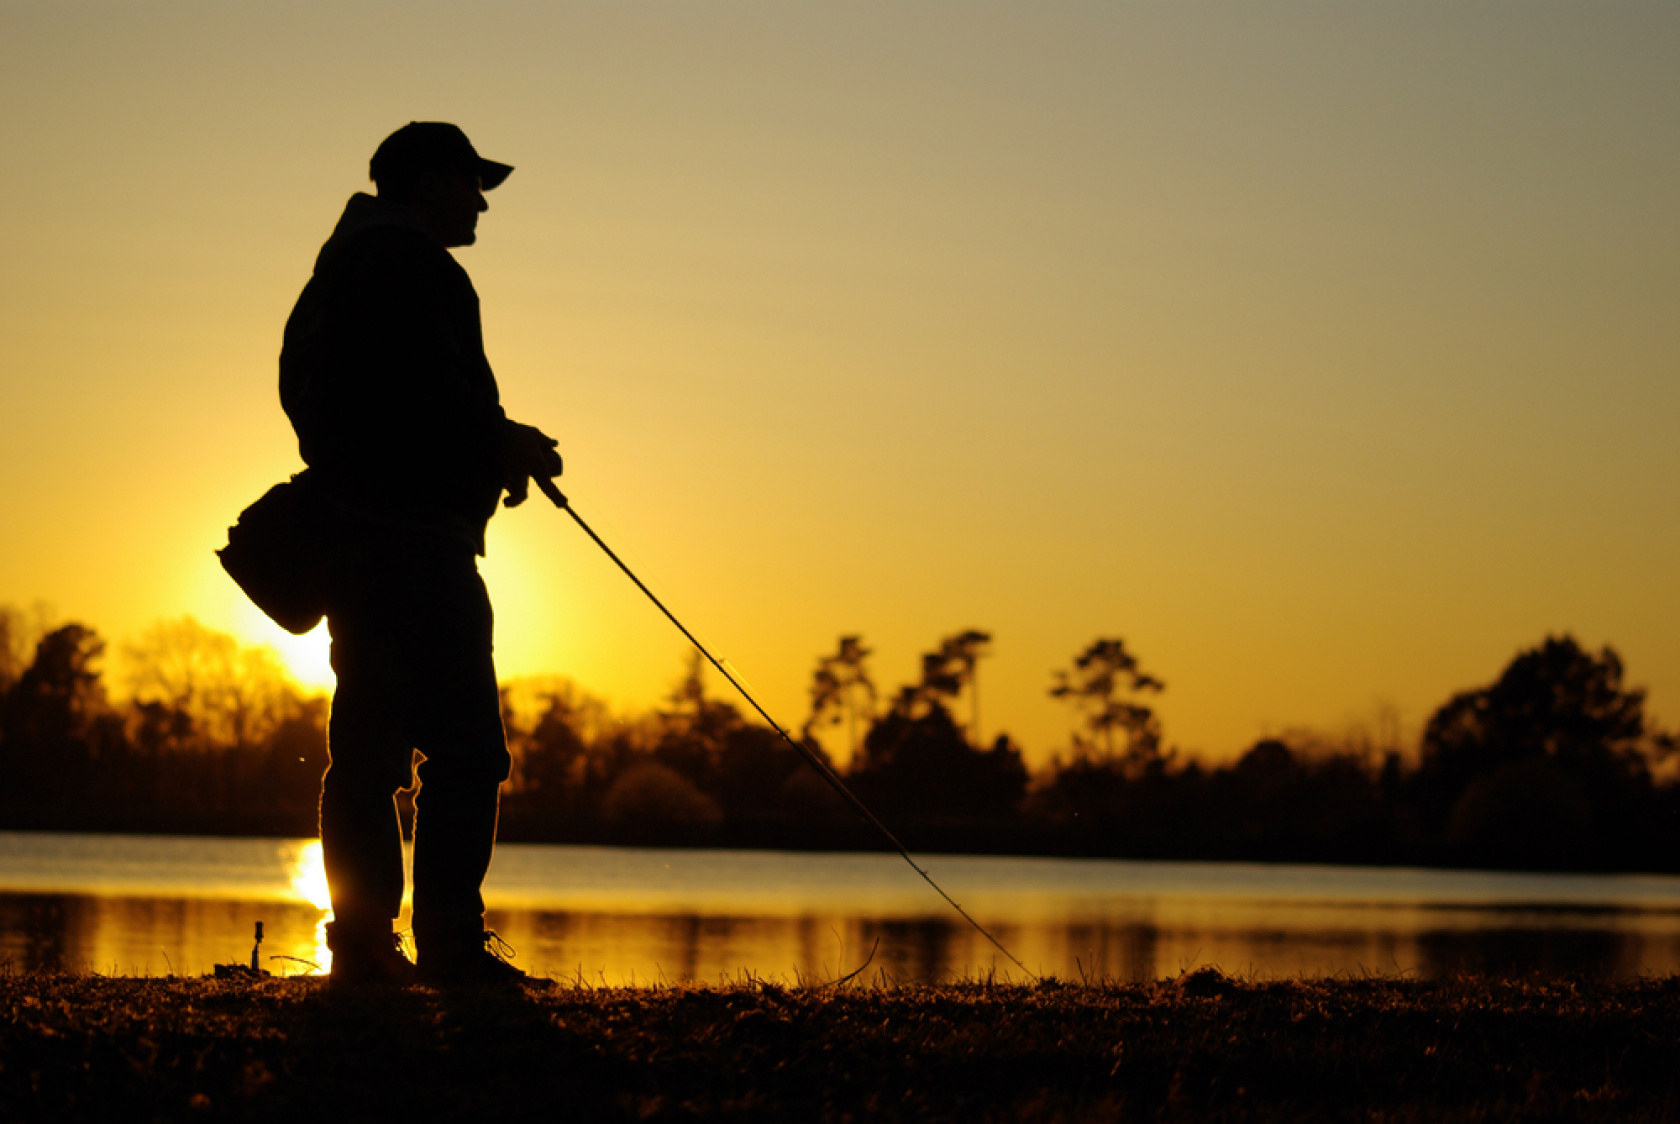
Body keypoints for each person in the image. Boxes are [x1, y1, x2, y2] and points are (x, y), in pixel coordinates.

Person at [279, 122, 562, 988]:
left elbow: (359, 402)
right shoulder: (413, 265)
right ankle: (447, 947)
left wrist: (480, 455)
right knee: (467, 751)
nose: (480, 201)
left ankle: (364, 946)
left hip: (364, 540)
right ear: (431, 183)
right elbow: (433, 396)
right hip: (417, 549)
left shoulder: (345, 263)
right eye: (471, 183)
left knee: (367, 750)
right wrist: (502, 443)